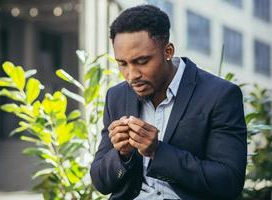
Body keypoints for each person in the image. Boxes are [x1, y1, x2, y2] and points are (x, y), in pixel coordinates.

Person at [90, 5, 247, 200]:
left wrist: (158, 151)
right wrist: (122, 154)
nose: (132, 76)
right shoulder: (116, 96)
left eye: (142, 61)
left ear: (168, 51)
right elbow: (101, 182)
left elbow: (229, 182)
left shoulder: (220, 95)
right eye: (123, 64)